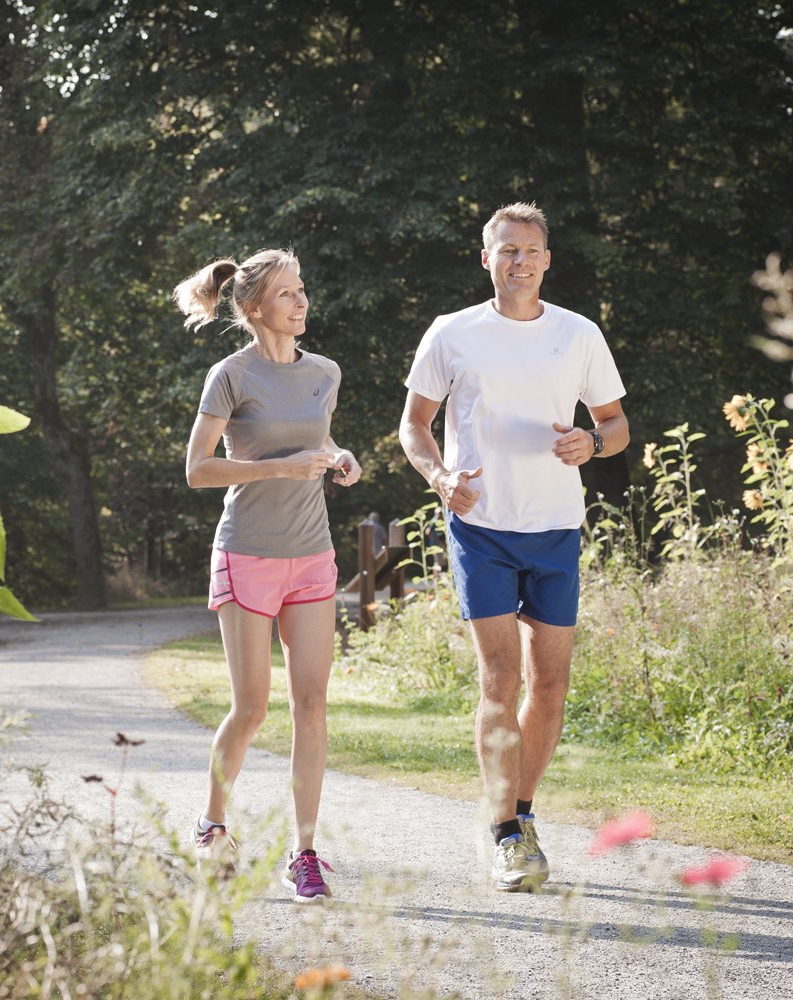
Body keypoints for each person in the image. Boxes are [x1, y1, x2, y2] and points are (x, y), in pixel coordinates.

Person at [398, 202, 628, 892]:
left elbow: (614, 425)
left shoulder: (578, 334)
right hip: (481, 526)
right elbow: (413, 426)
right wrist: (439, 477)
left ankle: (521, 814)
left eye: (529, 250)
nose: (518, 261)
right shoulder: (451, 333)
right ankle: (502, 832)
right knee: (500, 678)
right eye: (505, 251)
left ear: (546, 259)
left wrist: (591, 442)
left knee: (550, 686)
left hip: (556, 528)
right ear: (485, 258)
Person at [176, 247, 362, 903]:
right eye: (287, 294)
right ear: (256, 308)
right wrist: (277, 468)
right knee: (251, 708)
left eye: (302, 289)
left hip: (311, 554)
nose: (301, 301)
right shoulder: (229, 375)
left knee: (311, 705)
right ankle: (212, 825)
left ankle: (304, 853)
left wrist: (339, 459)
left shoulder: (324, 372)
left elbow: (318, 439)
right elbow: (197, 469)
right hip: (247, 553)